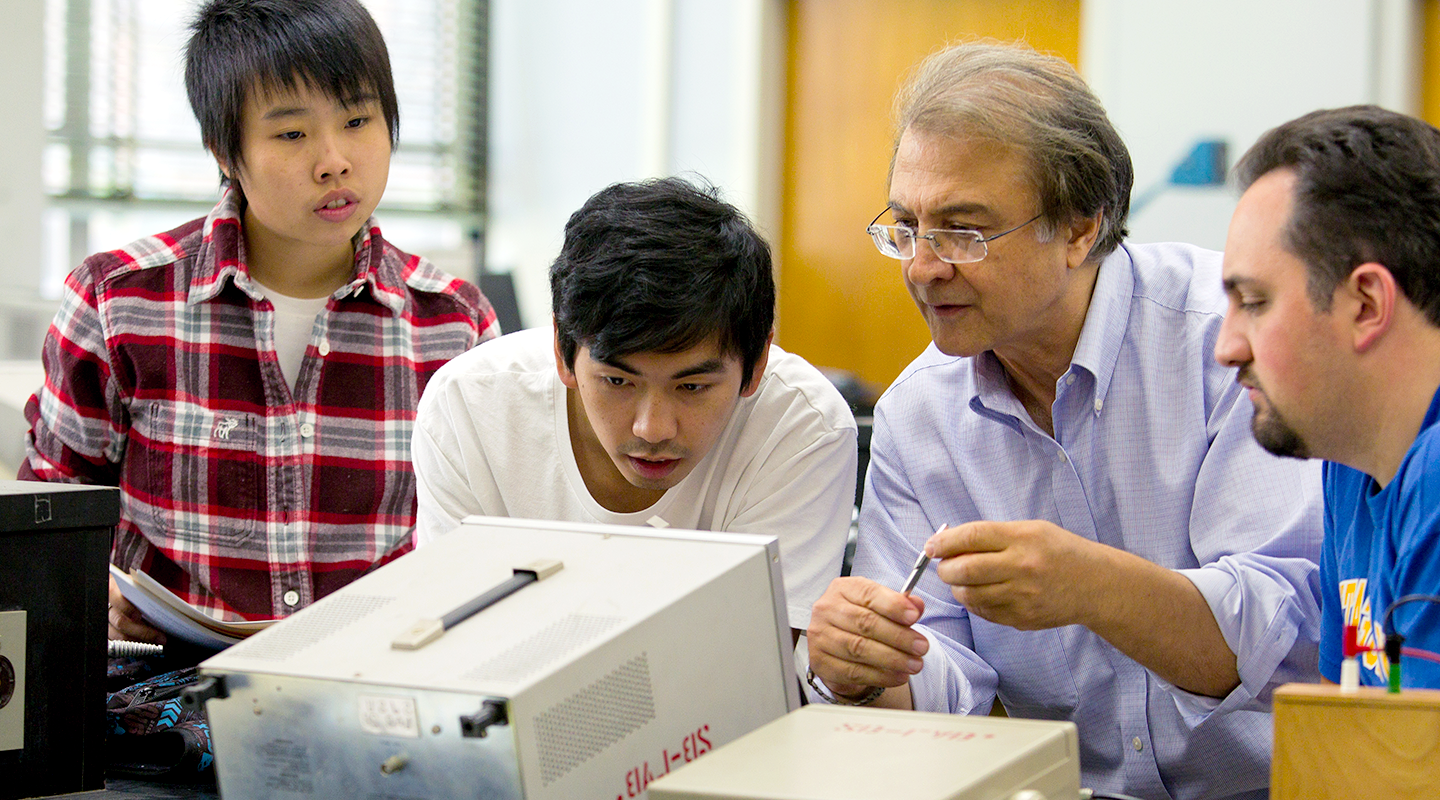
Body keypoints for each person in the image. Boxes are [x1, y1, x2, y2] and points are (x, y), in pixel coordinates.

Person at [804, 42, 1323, 799]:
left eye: (962, 230)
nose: (922, 266)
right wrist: (865, 662)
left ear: (1081, 229)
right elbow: (946, 688)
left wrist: (1091, 585)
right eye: (907, 226)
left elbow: (1274, 632)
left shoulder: (1227, 338)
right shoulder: (919, 415)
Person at [21, 0, 495, 642]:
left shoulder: (454, 326)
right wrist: (95, 589)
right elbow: (50, 515)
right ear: (225, 149)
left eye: (358, 120)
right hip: (163, 697)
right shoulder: (118, 301)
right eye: (292, 134)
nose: (334, 161)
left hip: (372, 690)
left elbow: (482, 544)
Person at [412, 177, 856, 635]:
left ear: (756, 365)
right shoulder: (469, 408)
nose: (652, 428)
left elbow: (752, 668)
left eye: (693, 388)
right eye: (618, 381)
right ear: (564, 352)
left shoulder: (802, 426)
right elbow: (454, 641)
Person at [1216, 105, 1440, 689]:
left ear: (1365, 304)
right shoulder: (1351, 462)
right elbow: (1345, 731)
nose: (1226, 347)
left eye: (1255, 302)